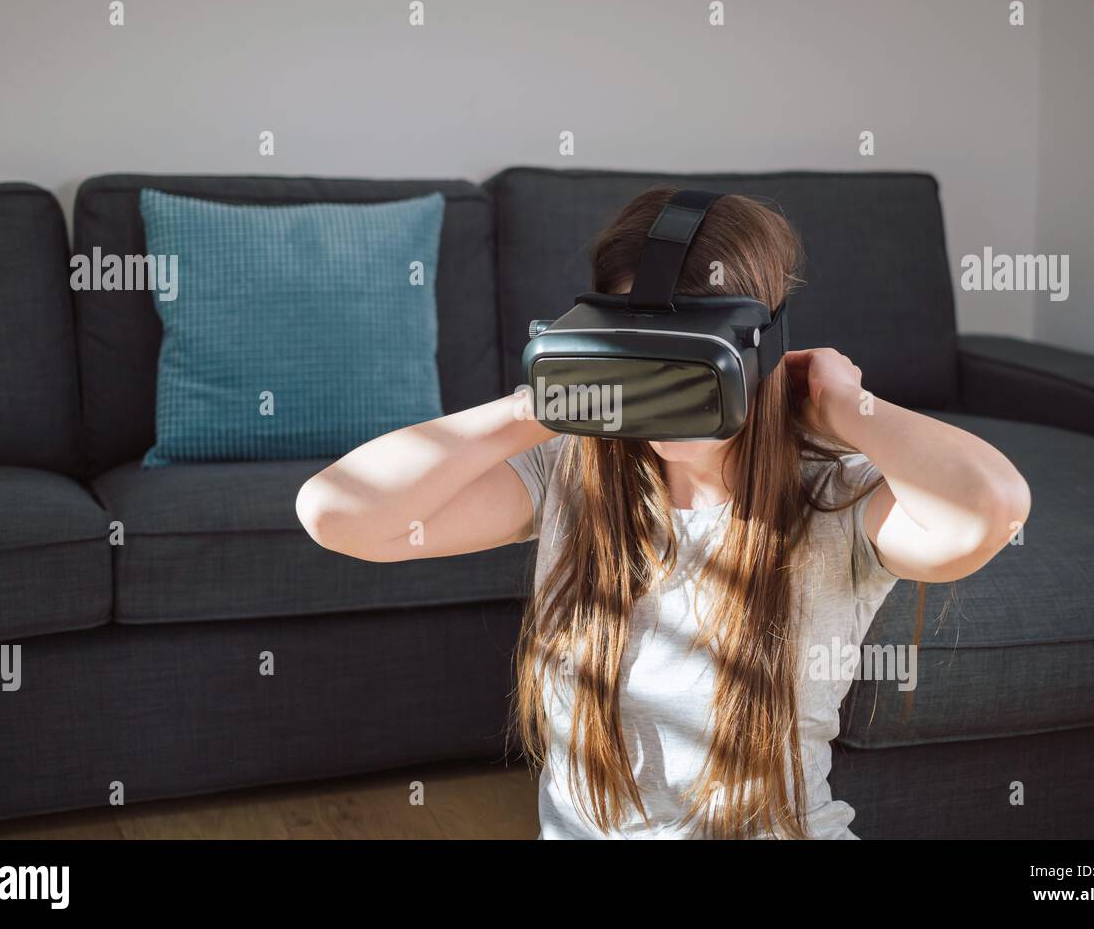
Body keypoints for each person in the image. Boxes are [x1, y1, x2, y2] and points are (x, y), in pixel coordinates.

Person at [296, 187, 1031, 839]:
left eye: (698, 345)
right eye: (641, 347)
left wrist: (846, 404)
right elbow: (338, 513)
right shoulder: (567, 477)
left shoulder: (835, 497)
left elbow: (990, 509)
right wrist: (539, 402)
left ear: (763, 344)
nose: (669, 379)